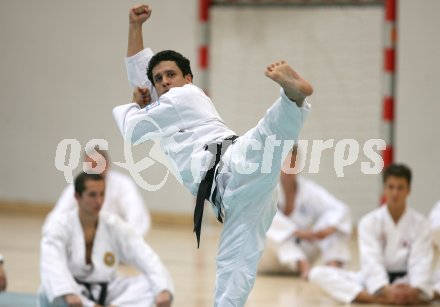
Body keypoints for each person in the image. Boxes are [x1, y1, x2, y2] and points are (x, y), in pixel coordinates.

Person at [112, 4, 313, 306]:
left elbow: (131, 130)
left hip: (229, 167)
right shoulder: (163, 106)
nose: (164, 81)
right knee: (234, 269)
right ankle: (291, 99)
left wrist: (132, 104)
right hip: (233, 199)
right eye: (159, 78)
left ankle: (291, 96)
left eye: (171, 74)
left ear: (188, 78)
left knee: (264, 139)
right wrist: (135, 27)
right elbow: (140, 74)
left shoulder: (182, 97)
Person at [38, 172, 173, 307]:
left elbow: (146, 256)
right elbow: (52, 264)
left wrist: (163, 289)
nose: (99, 201)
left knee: (151, 285)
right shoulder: (59, 226)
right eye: (92, 195)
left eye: (102, 194)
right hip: (74, 294)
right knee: (51, 290)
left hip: (106, 292)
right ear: (77, 197)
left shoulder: (113, 225)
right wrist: (68, 293)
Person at [309, 164, 433, 305]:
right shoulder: (369, 222)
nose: (395, 193)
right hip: (375, 283)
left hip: (409, 281)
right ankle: (377, 298)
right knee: (317, 274)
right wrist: (385, 289)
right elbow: (371, 259)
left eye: (400, 188)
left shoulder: (421, 223)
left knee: (432, 280)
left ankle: (420, 295)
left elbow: (421, 261)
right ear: (384, 189)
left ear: (408, 190)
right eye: (391, 187)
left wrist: (415, 289)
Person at [258, 148, 352, 279]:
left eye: (293, 163)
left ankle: (333, 268)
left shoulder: (308, 190)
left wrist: (328, 229)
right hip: (270, 259)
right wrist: (298, 232)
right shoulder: (266, 189)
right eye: (284, 163)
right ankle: (304, 266)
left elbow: (340, 209)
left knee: (335, 222)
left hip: (303, 251)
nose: (289, 168)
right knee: (264, 224)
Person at [45, 149, 151, 236]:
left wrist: (129, 242)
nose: (94, 169)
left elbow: (136, 215)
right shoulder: (77, 186)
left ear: (107, 164)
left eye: (98, 164)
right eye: (90, 165)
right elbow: (59, 212)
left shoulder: (123, 184)